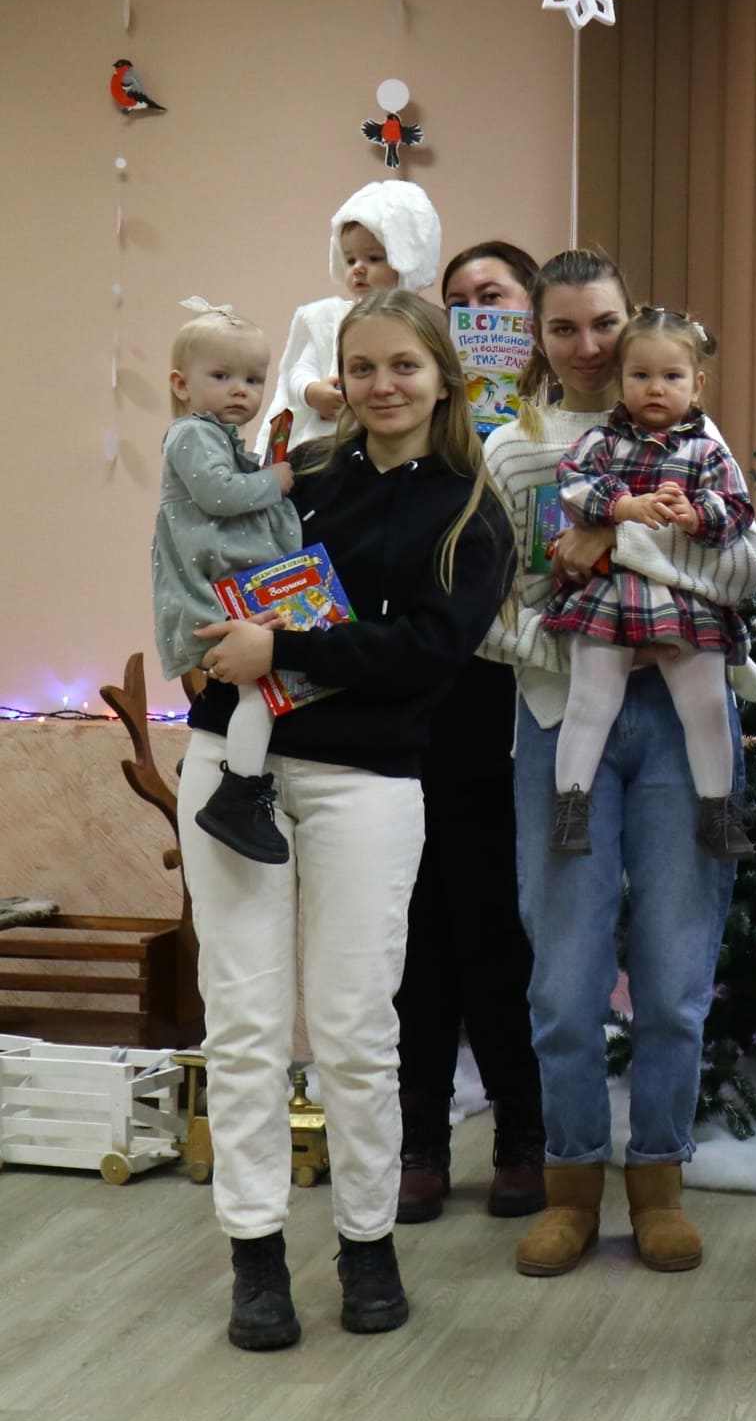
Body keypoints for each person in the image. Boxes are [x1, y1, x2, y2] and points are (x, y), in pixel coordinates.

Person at [179, 288, 510, 1351]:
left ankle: (367, 1243)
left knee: (358, 1027)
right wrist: (204, 632)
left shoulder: (472, 508)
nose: (381, 386)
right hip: (232, 761)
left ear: (444, 376)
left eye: (403, 365)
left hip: (366, 780)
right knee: (243, 1025)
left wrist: (287, 648)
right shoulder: (300, 475)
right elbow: (206, 559)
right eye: (361, 367)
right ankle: (255, 1252)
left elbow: (428, 654)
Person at [491, 250, 756, 1279]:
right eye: (564, 328)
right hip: (564, 716)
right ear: (538, 336)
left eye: (604, 323)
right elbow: (487, 608)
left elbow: (747, 566)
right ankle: (571, 1184)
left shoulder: (694, 430)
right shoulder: (516, 452)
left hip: (684, 717)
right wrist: (574, 633)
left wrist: (617, 545)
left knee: (674, 973)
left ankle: (658, 1181)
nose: (590, 346)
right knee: (564, 981)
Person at [396, 237, 548, 1226]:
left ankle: (522, 1135)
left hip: (516, 698)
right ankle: (420, 1140)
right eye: (457, 302)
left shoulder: (552, 430)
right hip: (420, 703)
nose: (475, 315)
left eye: (492, 297)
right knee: (419, 933)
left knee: (497, 928)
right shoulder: (422, 425)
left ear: (531, 312)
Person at [544, 308, 755, 860]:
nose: (655, 388)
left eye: (671, 376)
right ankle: (570, 806)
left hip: (685, 601)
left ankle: (718, 810)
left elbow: (738, 511)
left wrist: (698, 515)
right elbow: (570, 483)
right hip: (609, 594)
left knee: (706, 701)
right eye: (640, 375)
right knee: (590, 698)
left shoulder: (707, 449)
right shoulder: (602, 441)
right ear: (620, 380)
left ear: (697, 383)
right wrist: (622, 507)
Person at [152, 298, 299, 864]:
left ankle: (227, 767)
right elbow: (219, 495)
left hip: (229, 591)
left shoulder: (222, 439)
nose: (241, 390)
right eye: (222, 376)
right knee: (260, 690)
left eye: (254, 380)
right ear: (181, 384)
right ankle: (237, 790)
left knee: (263, 691)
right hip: (208, 598)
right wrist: (274, 480)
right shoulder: (191, 435)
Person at [256, 180, 444, 459]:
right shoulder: (329, 320)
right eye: (350, 260)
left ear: (409, 259)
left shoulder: (427, 324)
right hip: (328, 447)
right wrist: (312, 392)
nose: (358, 269)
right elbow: (298, 372)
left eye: (374, 258)